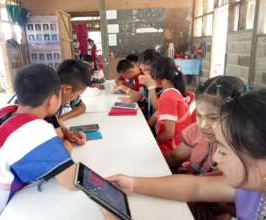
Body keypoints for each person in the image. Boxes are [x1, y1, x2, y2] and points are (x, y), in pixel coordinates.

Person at [109, 88, 266, 220]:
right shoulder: (251, 186)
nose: (216, 157)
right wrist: (133, 183)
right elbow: (197, 187)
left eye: (224, 152)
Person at [0, 64, 77, 219]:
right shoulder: (35, 130)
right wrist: (68, 145)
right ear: (52, 100)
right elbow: (72, 180)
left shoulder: (4, 112)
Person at [166, 76, 247, 175]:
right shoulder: (195, 131)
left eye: (213, 118)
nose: (203, 125)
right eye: (199, 115)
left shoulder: (244, 148)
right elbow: (173, 158)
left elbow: (205, 186)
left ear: (237, 116)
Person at [148, 56, 191, 154]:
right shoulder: (174, 91)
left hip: (171, 148)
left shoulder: (167, 96)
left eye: (153, 77)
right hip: (177, 144)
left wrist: (152, 142)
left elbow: (169, 133)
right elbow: (158, 113)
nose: (152, 80)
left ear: (163, 80)